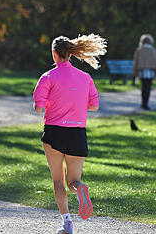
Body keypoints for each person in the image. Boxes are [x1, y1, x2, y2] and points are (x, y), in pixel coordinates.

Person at [33, 34, 106, 234]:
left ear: (55, 54)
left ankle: (67, 223)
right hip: (77, 133)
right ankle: (80, 189)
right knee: (73, 181)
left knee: (58, 181)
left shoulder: (48, 77)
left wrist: (49, 103)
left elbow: (38, 109)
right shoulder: (85, 78)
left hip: (54, 133)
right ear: (71, 55)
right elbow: (94, 106)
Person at [133, 34, 156, 110]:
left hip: (141, 72)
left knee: (143, 88)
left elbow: (136, 62)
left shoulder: (139, 50)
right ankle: (146, 104)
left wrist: (135, 72)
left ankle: (143, 103)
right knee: (148, 88)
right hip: (150, 72)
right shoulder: (153, 50)